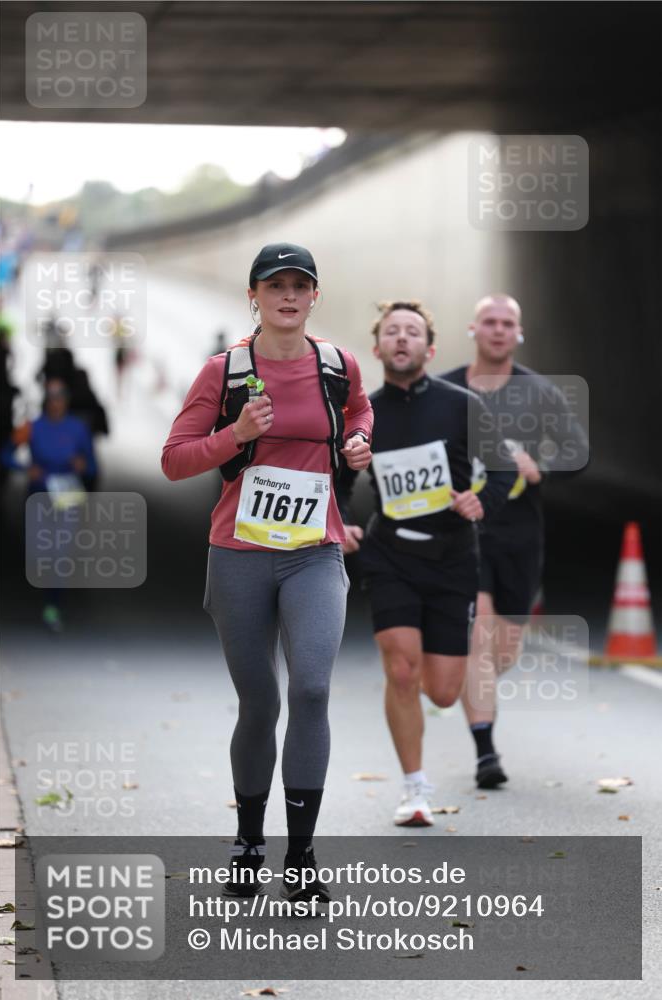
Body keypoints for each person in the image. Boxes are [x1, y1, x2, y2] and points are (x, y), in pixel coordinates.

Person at [161, 243, 372, 900]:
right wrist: (236, 434)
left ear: (314, 297)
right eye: (273, 284)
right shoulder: (223, 374)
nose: (287, 295)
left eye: (298, 285)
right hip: (240, 557)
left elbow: (359, 415)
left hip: (315, 553)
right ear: (252, 296)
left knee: (310, 690)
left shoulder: (338, 367)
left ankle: (301, 854)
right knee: (261, 702)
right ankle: (249, 838)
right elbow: (174, 460)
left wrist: (361, 445)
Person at [339, 301, 516, 826]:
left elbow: (503, 469)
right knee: (400, 668)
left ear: (429, 349)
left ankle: (422, 705)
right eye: (391, 331)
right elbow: (339, 482)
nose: (401, 339)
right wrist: (343, 520)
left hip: (453, 558)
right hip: (390, 553)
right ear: (376, 349)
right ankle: (414, 789)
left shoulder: (462, 405)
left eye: (411, 332)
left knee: (440, 688)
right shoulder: (361, 416)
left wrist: (481, 501)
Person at [442, 293, 588, 789]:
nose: (499, 330)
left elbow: (577, 451)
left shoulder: (540, 393)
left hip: (520, 536)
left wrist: (539, 467)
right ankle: (486, 751)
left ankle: (473, 685)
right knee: (478, 638)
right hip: (466, 533)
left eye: (508, 323)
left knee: (503, 650)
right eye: (489, 321)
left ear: (518, 333)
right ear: (473, 329)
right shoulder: (445, 390)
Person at [0, 377, 97, 633]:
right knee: (40, 552)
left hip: (67, 496)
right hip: (39, 495)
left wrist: (82, 466)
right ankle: (44, 588)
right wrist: (25, 467)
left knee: (60, 552)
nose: (55, 402)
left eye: (60, 397)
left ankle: (53, 606)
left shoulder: (78, 429)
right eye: (51, 397)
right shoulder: (32, 426)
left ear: (66, 400)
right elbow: (5, 454)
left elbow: (92, 465)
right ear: (46, 401)